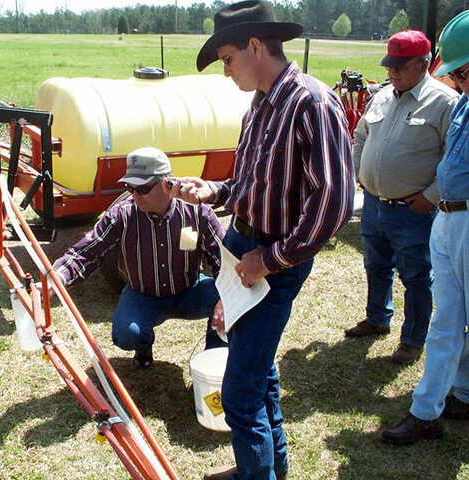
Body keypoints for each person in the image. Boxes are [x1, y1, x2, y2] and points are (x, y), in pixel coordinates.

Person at [165, 2, 355, 478]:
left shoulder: (313, 103)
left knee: (240, 391)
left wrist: (268, 261)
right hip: (243, 248)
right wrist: (215, 190)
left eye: (227, 58)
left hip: (272, 261)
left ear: (255, 46)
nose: (226, 71)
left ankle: (257, 473)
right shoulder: (261, 104)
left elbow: (331, 206)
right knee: (259, 372)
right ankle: (270, 468)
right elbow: (252, 184)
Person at [51, 146, 226, 370]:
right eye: (129, 187)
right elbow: (87, 251)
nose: (135, 195)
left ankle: (214, 361)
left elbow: (222, 258)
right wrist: (57, 277)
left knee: (230, 305)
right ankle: (143, 347)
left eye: (142, 188)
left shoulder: (197, 213)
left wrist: (225, 300)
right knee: (126, 334)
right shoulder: (121, 215)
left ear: (168, 183)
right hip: (142, 295)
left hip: (190, 290)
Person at [344, 30, 459, 364]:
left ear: (424, 64)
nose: (392, 72)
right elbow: (361, 135)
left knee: (416, 276)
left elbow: (454, 158)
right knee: (375, 264)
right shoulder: (382, 95)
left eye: (400, 66)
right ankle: (378, 317)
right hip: (375, 204)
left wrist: (432, 197)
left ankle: (412, 339)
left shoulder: (445, 102)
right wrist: (355, 175)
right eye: (389, 65)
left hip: (413, 209)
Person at [382, 9, 469, 445]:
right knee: (447, 320)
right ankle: (433, 408)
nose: (459, 80)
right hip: (450, 219)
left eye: (466, 72)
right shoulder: (464, 105)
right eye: (458, 73)